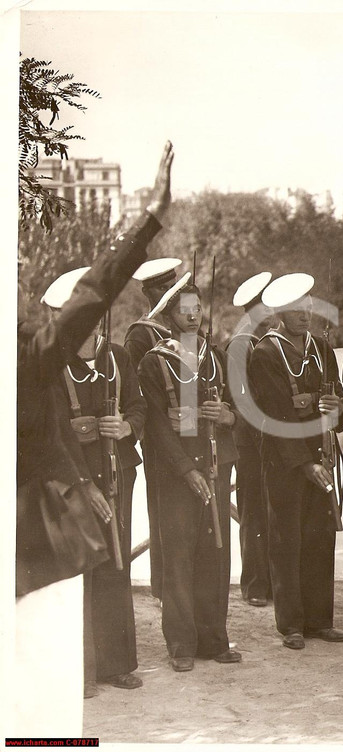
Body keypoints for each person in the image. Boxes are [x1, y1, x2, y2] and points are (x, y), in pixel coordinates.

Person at [14, 141, 173, 736]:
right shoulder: (32, 354)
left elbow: (88, 302)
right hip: (36, 547)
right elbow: (89, 298)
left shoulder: (31, 356)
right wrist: (148, 222)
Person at [40, 269, 148, 697]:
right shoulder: (48, 366)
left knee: (115, 564)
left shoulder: (117, 356)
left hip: (118, 475)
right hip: (71, 483)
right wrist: (82, 478)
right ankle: (79, 669)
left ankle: (116, 664)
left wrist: (125, 427)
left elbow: (140, 408)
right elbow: (42, 433)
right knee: (77, 571)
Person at [138, 272, 242, 671]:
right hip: (177, 474)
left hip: (217, 465)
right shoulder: (154, 361)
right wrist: (185, 470)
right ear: (169, 315)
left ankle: (215, 640)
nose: (193, 316)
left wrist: (228, 415)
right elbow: (157, 430)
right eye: (184, 311)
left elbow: (238, 409)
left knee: (215, 554)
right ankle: (182, 644)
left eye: (197, 309)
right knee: (179, 556)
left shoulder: (215, 356)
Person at [249, 273, 343, 649]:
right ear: (279, 314)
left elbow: (339, 399)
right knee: (286, 539)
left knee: (320, 537)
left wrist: (337, 408)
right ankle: (291, 624)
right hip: (286, 462)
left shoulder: (321, 347)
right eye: (296, 309)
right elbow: (275, 418)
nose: (305, 314)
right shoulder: (265, 353)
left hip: (322, 453)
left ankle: (320, 620)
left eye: (308, 305)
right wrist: (305, 463)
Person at [125, 255, 182, 605]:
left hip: (191, 432)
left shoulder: (180, 329)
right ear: (149, 294)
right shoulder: (141, 334)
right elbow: (135, 392)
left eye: (173, 285)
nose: (170, 293)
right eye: (163, 288)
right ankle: (162, 587)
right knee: (163, 511)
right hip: (160, 434)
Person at [225, 271, 274, 607]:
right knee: (254, 512)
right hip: (249, 442)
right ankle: (254, 585)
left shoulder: (260, 342)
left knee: (269, 511)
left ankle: (268, 581)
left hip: (267, 441)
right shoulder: (241, 344)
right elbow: (243, 400)